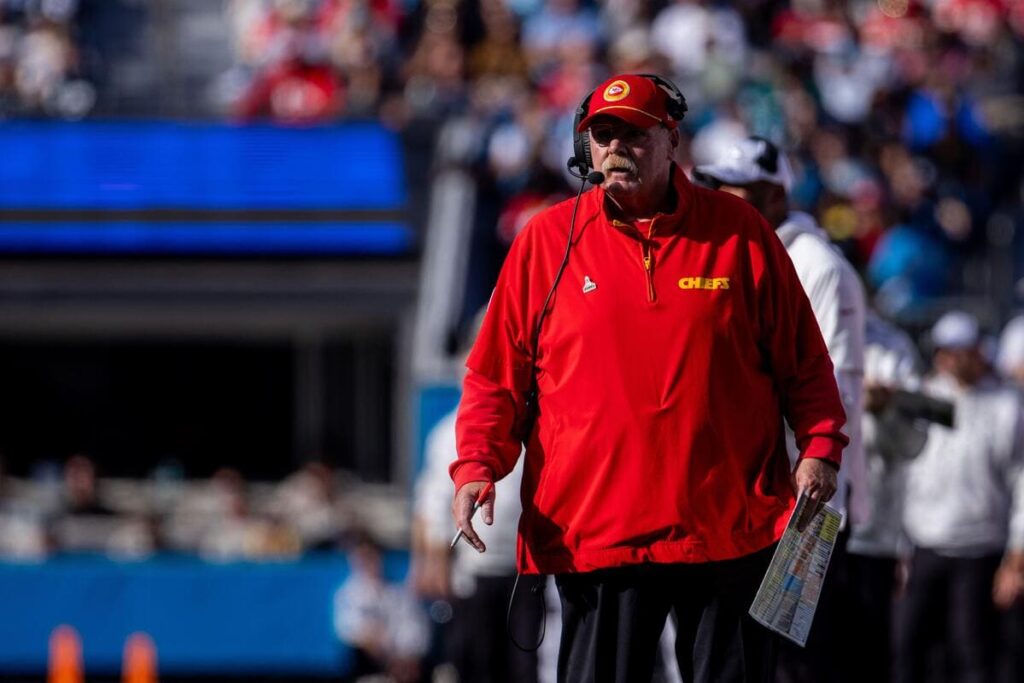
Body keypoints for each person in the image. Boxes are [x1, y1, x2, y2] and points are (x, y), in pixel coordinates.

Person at [449, 73, 848, 683]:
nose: (615, 148)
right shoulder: (546, 241)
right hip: (598, 528)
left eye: (633, 135)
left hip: (728, 526)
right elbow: (495, 378)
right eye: (602, 135)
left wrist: (820, 447)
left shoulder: (740, 234)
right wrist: (478, 465)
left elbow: (805, 362)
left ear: (671, 139)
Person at [694, 136, 867, 682]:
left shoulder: (815, 264)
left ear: (774, 195)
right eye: (716, 185)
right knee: (752, 657)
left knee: (798, 660)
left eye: (736, 188)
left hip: (805, 504)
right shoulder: (740, 253)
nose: (722, 197)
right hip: (756, 500)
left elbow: (829, 385)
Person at [411, 308, 543, 683]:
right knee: (477, 663)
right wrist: (432, 560)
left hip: (527, 569)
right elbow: (432, 502)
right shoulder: (447, 432)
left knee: (525, 667)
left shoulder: (535, 421)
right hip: (475, 572)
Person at [896, 311, 1024, 683]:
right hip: (925, 543)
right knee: (909, 648)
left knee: (971, 651)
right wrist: (900, 546)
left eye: (962, 350)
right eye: (946, 351)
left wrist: (1016, 556)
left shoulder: (1006, 406)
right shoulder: (924, 398)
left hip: (980, 547)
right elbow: (903, 471)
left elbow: (1019, 480)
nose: (954, 360)